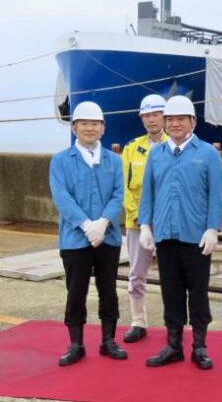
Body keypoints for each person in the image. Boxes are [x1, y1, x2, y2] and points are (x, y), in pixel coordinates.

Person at [138, 95, 222, 370]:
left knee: (198, 293)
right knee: (170, 291)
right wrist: (145, 225)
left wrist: (213, 229)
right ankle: (173, 345)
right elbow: (148, 192)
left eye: (181, 119)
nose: (175, 124)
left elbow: (216, 195)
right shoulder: (156, 154)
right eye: (170, 119)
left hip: (196, 236)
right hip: (165, 235)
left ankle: (199, 346)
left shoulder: (208, 154)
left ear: (193, 122)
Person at [49, 101, 127, 366]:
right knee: (76, 291)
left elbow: (118, 194)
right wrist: (86, 225)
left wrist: (103, 223)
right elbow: (62, 197)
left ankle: (108, 340)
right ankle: (76, 344)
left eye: (95, 124)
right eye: (84, 123)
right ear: (74, 128)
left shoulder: (114, 161)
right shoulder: (60, 161)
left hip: (108, 236)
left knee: (109, 289)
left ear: (103, 128)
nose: (90, 128)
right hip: (75, 238)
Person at [120, 94, 168, 343]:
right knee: (137, 274)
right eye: (147, 115)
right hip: (138, 222)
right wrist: (140, 217)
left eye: (156, 114)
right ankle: (138, 321)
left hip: (169, 222)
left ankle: (175, 323)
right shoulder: (131, 148)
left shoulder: (175, 145)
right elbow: (124, 187)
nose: (151, 119)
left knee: (173, 276)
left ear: (165, 117)